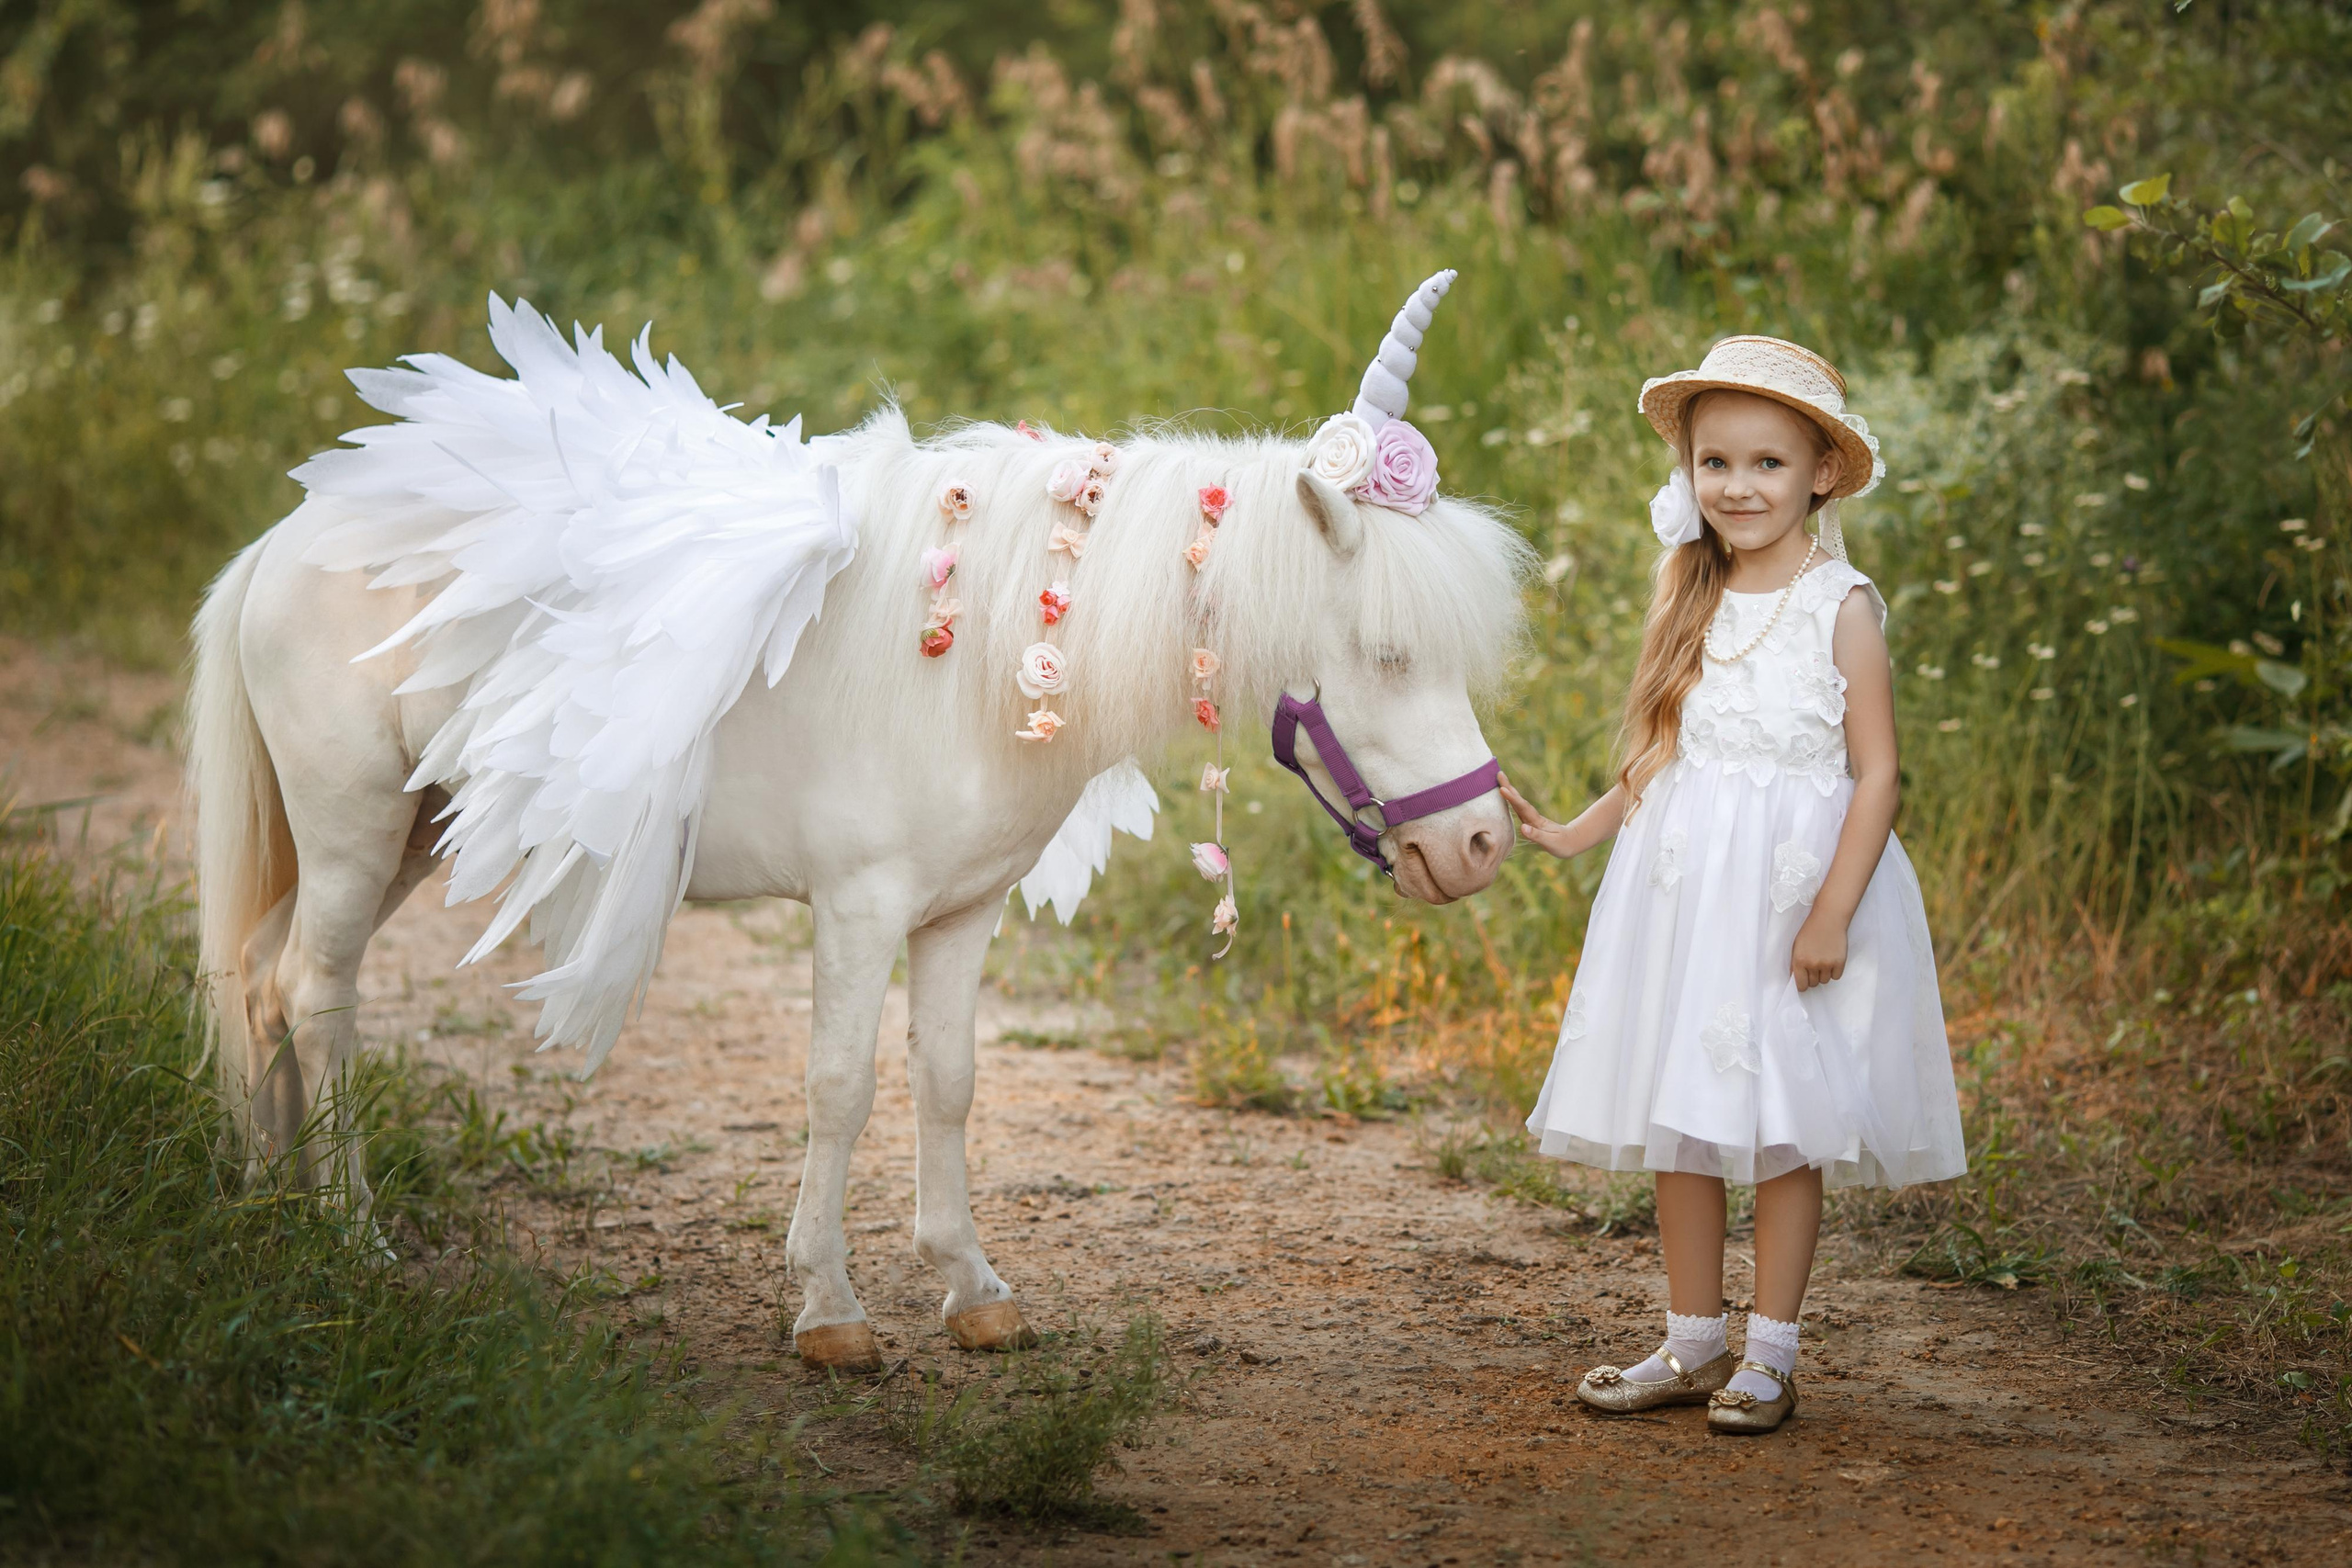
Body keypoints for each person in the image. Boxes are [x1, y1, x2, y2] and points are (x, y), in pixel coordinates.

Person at [1499, 336, 1966, 1435]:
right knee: (1687, 1120)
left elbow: (1878, 770)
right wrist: (1576, 833)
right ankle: (1692, 1340)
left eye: (1766, 464)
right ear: (1688, 474)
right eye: (1715, 463)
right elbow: (1665, 751)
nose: (1738, 487)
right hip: (1685, 891)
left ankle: (1771, 1354)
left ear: (1819, 474)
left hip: (1790, 891)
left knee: (1781, 1121)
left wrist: (1833, 910)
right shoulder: (1690, 589)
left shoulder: (1838, 601)